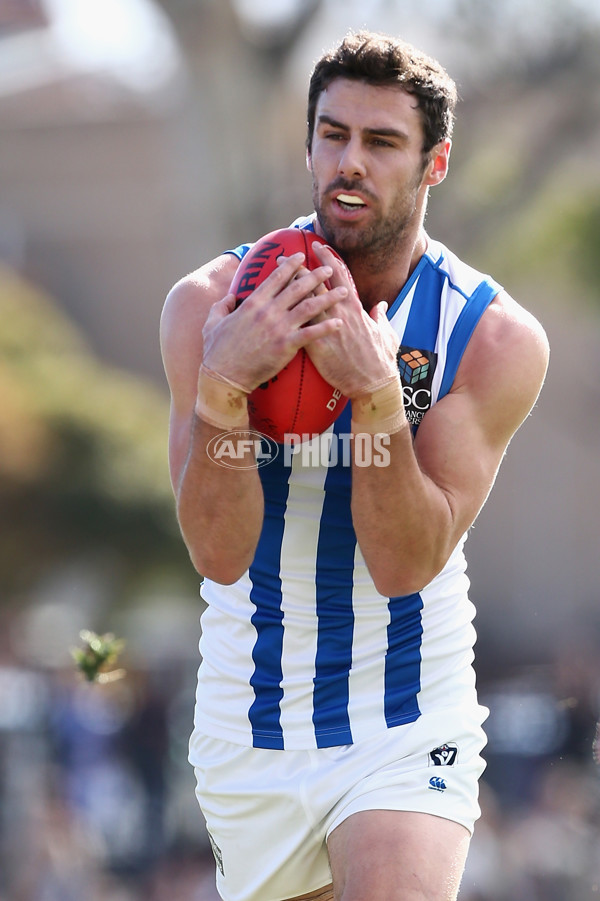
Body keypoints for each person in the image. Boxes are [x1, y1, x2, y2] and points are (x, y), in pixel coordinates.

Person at [160, 30, 549, 901]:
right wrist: (226, 384)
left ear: (434, 162)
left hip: (403, 713)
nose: (350, 162)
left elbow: (406, 561)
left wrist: (376, 400)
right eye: (332, 134)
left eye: (381, 142)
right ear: (306, 144)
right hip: (250, 713)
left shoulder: (491, 338)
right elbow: (217, 552)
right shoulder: (207, 307)